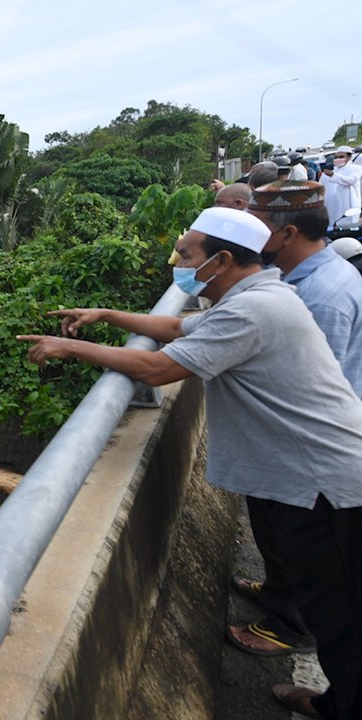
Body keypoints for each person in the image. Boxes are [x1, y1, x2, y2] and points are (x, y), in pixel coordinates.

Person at [17, 207, 362, 720]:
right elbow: (175, 326)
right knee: (329, 605)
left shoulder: (254, 311)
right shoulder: (253, 297)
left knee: (339, 617)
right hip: (307, 478)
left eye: (186, 254)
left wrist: (73, 346)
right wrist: (106, 316)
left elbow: (159, 368)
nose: (177, 261)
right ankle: (338, 699)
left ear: (221, 260)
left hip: (323, 488)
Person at [223, 181, 362, 659]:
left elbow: (315, 385)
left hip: (312, 454)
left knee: (307, 548)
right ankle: (282, 591)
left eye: (256, 224)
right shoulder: (301, 275)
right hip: (294, 447)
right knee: (279, 536)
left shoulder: (320, 295)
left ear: (283, 233)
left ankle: (291, 626)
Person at [322, 146, 362, 226]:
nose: (338, 159)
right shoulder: (331, 170)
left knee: (348, 226)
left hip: (348, 205)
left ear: (349, 157)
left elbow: (350, 180)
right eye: (336, 157)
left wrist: (333, 175)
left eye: (341, 157)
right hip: (332, 206)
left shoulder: (356, 168)